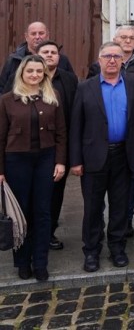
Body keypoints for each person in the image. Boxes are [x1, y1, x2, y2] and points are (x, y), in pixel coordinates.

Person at [70, 42, 134, 273]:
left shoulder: (133, 85)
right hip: (94, 156)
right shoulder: (85, 87)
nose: (112, 60)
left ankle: (117, 248)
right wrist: (76, 160)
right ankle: (91, 251)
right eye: (107, 56)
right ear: (99, 60)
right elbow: (76, 126)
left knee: (120, 206)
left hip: (124, 155)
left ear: (122, 60)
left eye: (116, 56)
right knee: (93, 207)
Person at [0, 55, 66, 281]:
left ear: (44, 74)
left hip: (45, 160)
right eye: (30, 71)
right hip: (16, 161)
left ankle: (40, 262)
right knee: (21, 212)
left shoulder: (52, 96)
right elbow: (0, 138)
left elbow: (61, 132)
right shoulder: (7, 100)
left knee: (43, 212)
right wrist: (0, 171)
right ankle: (22, 261)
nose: (34, 75)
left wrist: (60, 161)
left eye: (39, 71)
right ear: (22, 73)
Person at [34, 41, 77, 252]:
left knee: (55, 193)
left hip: (60, 146)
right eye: (45, 52)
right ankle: (29, 233)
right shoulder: (26, 76)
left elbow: (76, 112)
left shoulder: (68, 79)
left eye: (53, 52)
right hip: (30, 147)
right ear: (36, 54)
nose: (50, 55)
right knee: (33, 193)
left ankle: (48, 232)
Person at [0, 22, 74, 94]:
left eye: (41, 33)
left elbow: (72, 86)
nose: (37, 37)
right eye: (33, 34)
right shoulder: (14, 60)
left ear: (47, 35)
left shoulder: (62, 60)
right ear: (26, 37)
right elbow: (2, 88)